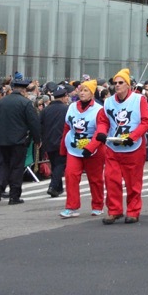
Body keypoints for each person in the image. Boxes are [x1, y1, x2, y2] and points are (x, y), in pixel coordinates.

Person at [100, 68, 148, 223]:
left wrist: (133, 136)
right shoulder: (108, 101)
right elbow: (103, 120)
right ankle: (114, 210)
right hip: (113, 146)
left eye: (120, 82)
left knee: (133, 182)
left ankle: (133, 210)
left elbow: (147, 121)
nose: (117, 85)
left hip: (133, 148)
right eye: (115, 83)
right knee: (111, 179)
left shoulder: (139, 100)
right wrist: (102, 133)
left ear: (128, 85)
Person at [59, 79, 108, 218]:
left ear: (92, 94)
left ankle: (98, 205)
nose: (82, 93)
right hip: (74, 147)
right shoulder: (72, 107)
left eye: (86, 91)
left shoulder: (99, 110)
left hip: (94, 149)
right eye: (81, 90)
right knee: (71, 175)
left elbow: (100, 130)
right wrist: (62, 148)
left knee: (95, 178)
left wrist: (91, 147)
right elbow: (67, 127)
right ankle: (71, 206)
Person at [0, 74, 41, 205]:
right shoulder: (25, 103)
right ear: (23, 90)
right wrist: (37, 139)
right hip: (18, 140)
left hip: (1, 140)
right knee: (17, 167)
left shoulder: (0, 102)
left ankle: (0, 186)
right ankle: (14, 195)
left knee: (5, 164)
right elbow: (33, 123)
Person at [40, 84, 70, 197]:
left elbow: (40, 124)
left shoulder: (46, 110)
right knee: (60, 164)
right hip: (61, 140)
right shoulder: (67, 109)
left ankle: (58, 187)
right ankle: (53, 186)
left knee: (55, 163)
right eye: (66, 97)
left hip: (48, 141)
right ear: (63, 97)